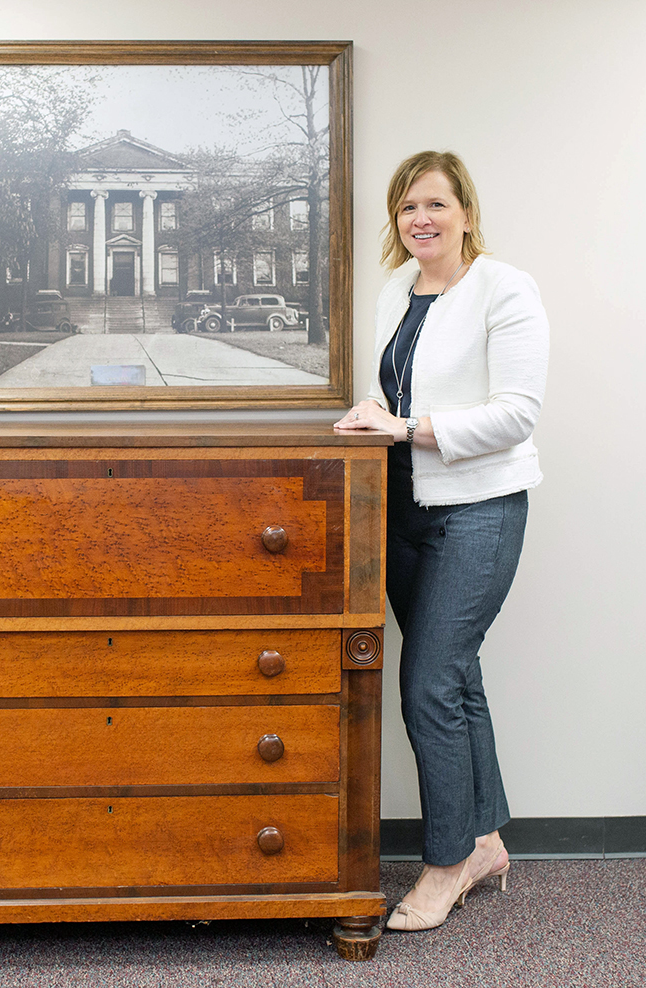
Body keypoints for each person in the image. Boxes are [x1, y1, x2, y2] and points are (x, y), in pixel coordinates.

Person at [335, 151, 548, 931]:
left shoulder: (505, 288)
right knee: (457, 678)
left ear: (465, 211)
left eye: (434, 204)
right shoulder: (399, 287)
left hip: (478, 509)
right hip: (403, 508)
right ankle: (484, 838)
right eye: (406, 209)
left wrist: (407, 429)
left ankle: (446, 863)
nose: (420, 219)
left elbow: (517, 412)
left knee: (428, 681)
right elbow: (395, 385)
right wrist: (371, 412)